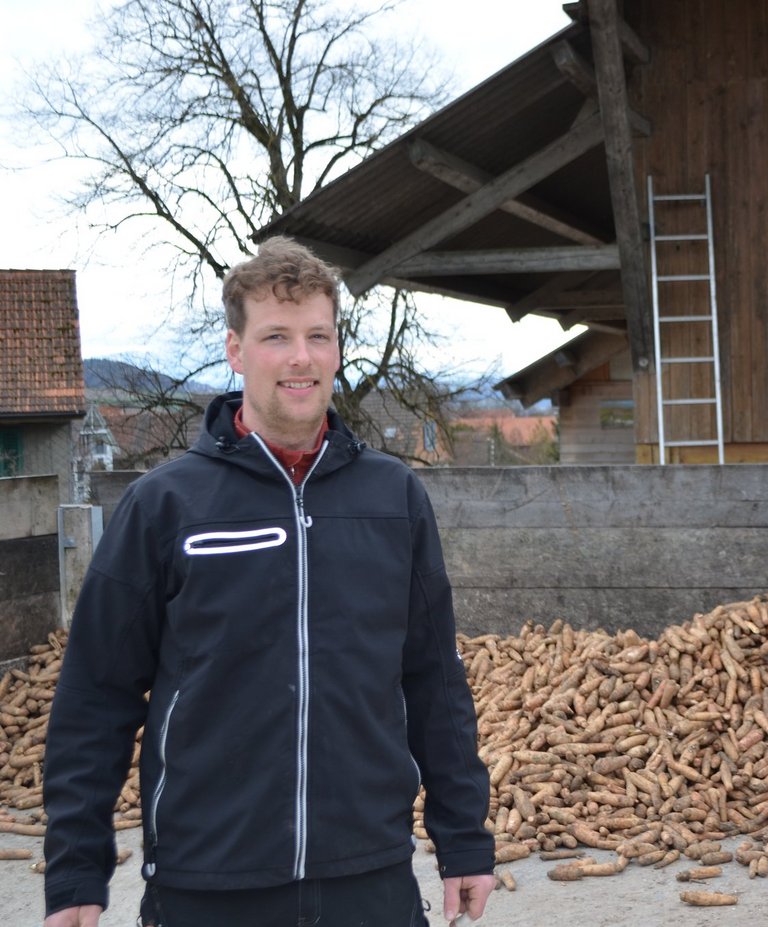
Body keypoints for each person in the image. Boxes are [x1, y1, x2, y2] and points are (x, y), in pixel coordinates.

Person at [41, 238, 495, 926]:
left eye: (317, 335)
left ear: (338, 350)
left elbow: (433, 679)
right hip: (208, 880)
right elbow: (94, 696)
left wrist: (464, 836)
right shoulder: (165, 506)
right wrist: (76, 868)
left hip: (367, 878)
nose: (300, 357)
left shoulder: (393, 498)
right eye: (276, 336)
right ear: (235, 349)